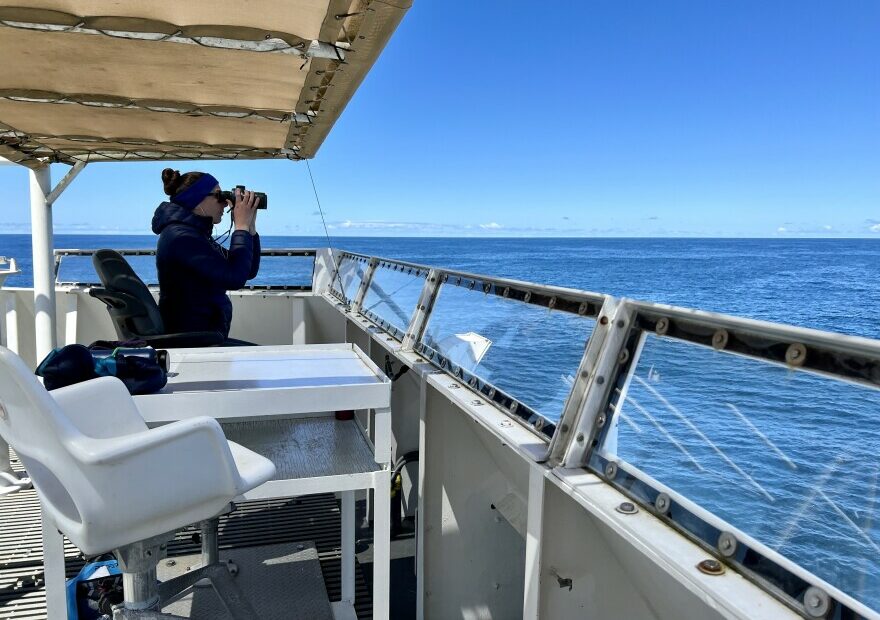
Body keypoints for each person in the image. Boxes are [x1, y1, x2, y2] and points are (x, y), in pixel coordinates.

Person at [152, 168, 260, 343]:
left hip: (202, 333)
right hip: (193, 338)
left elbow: (247, 271)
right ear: (197, 200)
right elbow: (235, 279)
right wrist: (240, 227)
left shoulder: (193, 235)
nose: (225, 203)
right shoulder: (182, 238)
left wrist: (250, 228)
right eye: (219, 196)